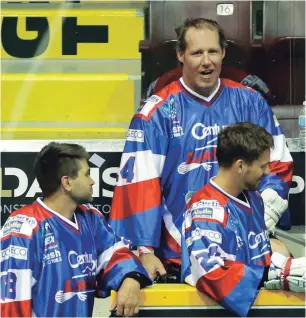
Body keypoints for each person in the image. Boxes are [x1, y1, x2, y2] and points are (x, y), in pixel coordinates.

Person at [109, 18, 293, 281]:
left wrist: (263, 217)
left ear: (224, 53)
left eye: (213, 52)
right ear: (181, 55)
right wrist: (144, 250)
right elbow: (139, 184)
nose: (206, 61)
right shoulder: (156, 113)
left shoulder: (250, 102)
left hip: (242, 242)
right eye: (197, 53)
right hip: (178, 250)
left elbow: (277, 164)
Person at [0, 142, 151, 317]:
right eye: (86, 174)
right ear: (67, 182)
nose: (92, 181)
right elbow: (11, 305)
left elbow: (117, 256)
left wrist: (131, 279)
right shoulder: (24, 229)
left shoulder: (91, 219)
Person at [181, 122, 306, 317]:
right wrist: (278, 273)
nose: (267, 173)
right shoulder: (205, 210)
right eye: (263, 166)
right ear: (240, 166)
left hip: (256, 308)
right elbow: (211, 274)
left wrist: (280, 260)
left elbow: (256, 252)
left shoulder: (254, 197)